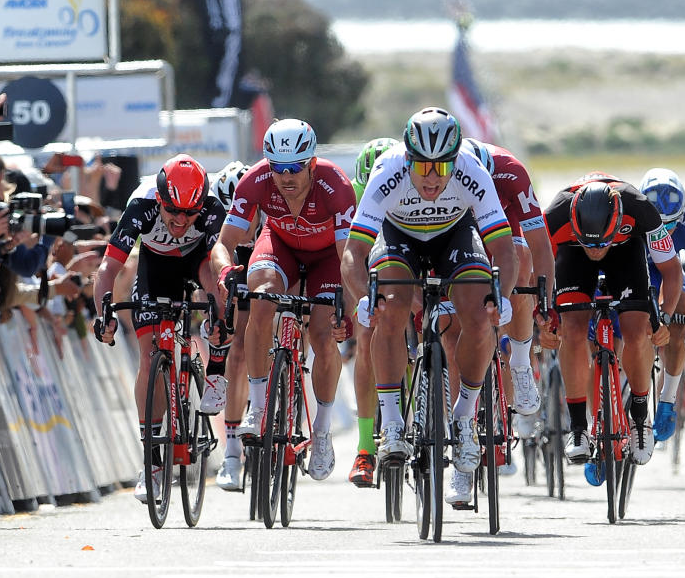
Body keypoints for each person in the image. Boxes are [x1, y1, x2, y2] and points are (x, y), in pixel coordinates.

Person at [340, 108, 517, 506]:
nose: (433, 177)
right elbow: (354, 251)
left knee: (478, 312)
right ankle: (393, 423)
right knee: (390, 307)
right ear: (407, 159)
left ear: (456, 159)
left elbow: (503, 247)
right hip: (398, 235)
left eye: (442, 167)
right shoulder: (388, 173)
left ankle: (464, 417)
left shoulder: (472, 171)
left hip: (454, 234)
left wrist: (500, 295)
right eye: (423, 167)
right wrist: (363, 299)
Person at [210, 119, 357, 484]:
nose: (286, 177)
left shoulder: (335, 186)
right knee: (261, 300)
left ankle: (321, 432)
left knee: (323, 338)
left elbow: (349, 258)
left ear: (311, 163)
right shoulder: (256, 180)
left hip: (327, 259)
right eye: (278, 168)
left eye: (295, 168)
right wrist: (227, 273)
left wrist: (346, 311)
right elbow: (222, 245)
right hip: (280, 247)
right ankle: (258, 407)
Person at [91, 155, 227, 502]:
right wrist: (103, 314)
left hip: (197, 263)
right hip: (155, 267)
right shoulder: (142, 203)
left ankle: (215, 369)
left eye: (189, 213)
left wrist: (221, 317)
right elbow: (108, 269)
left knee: (217, 283)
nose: (181, 220)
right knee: (150, 359)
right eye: (173, 212)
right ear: (161, 201)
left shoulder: (212, 208)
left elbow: (222, 261)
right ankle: (150, 462)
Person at [541, 174, 683, 474]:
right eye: (590, 244)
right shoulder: (554, 216)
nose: (596, 250)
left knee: (637, 330)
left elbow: (671, 272)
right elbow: (536, 274)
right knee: (573, 330)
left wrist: (665, 319)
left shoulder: (640, 210)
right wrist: (543, 319)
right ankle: (579, 426)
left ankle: (640, 419)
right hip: (571, 253)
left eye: (601, 244)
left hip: (625, 251)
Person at [462, 138, 555, 443]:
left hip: (504, 221)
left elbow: (541, 246)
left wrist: (545, 303)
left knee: (521, 259)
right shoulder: (450, 175)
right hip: (461, 222)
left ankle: (519, 362)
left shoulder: (511, 173)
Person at [638, 168, 685, 442]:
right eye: (658, 225)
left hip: (670, 274)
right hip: (637, 269)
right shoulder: (631, 217)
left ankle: (668, 398)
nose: (663, 232)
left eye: (670, 225)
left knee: (680, 311)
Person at [346, 138, 399, 487]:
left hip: (403, 256)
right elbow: (345, 256)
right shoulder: (347, 194)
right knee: (366, 339)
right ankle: (365, 447)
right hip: (367, 267)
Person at [210, 160, 253, 490]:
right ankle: (233, 450)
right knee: (237, 351)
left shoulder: (269, 212)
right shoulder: (220, 231)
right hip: (234, 269)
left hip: (270, 261)